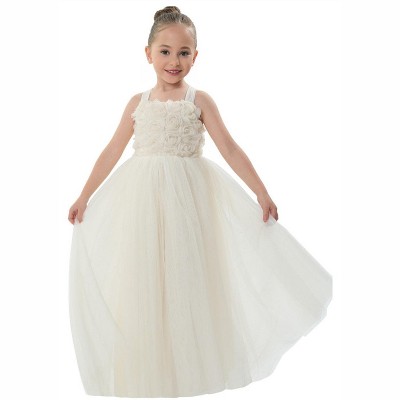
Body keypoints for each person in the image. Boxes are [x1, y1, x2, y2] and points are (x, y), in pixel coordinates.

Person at [68, 5, 332, 398]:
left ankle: (186, 371)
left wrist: (260, 190)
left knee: (186, 279)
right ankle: (148, 371)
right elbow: (111, 151)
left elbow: (229, 148)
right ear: (148, 53)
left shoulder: (200, 100)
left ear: (196, 56)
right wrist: (84, 195)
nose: (174, 61)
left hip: (187, 205)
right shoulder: (137, 103)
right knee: (143, 280)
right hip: (141, 204)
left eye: (183, 52)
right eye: (165, 51)